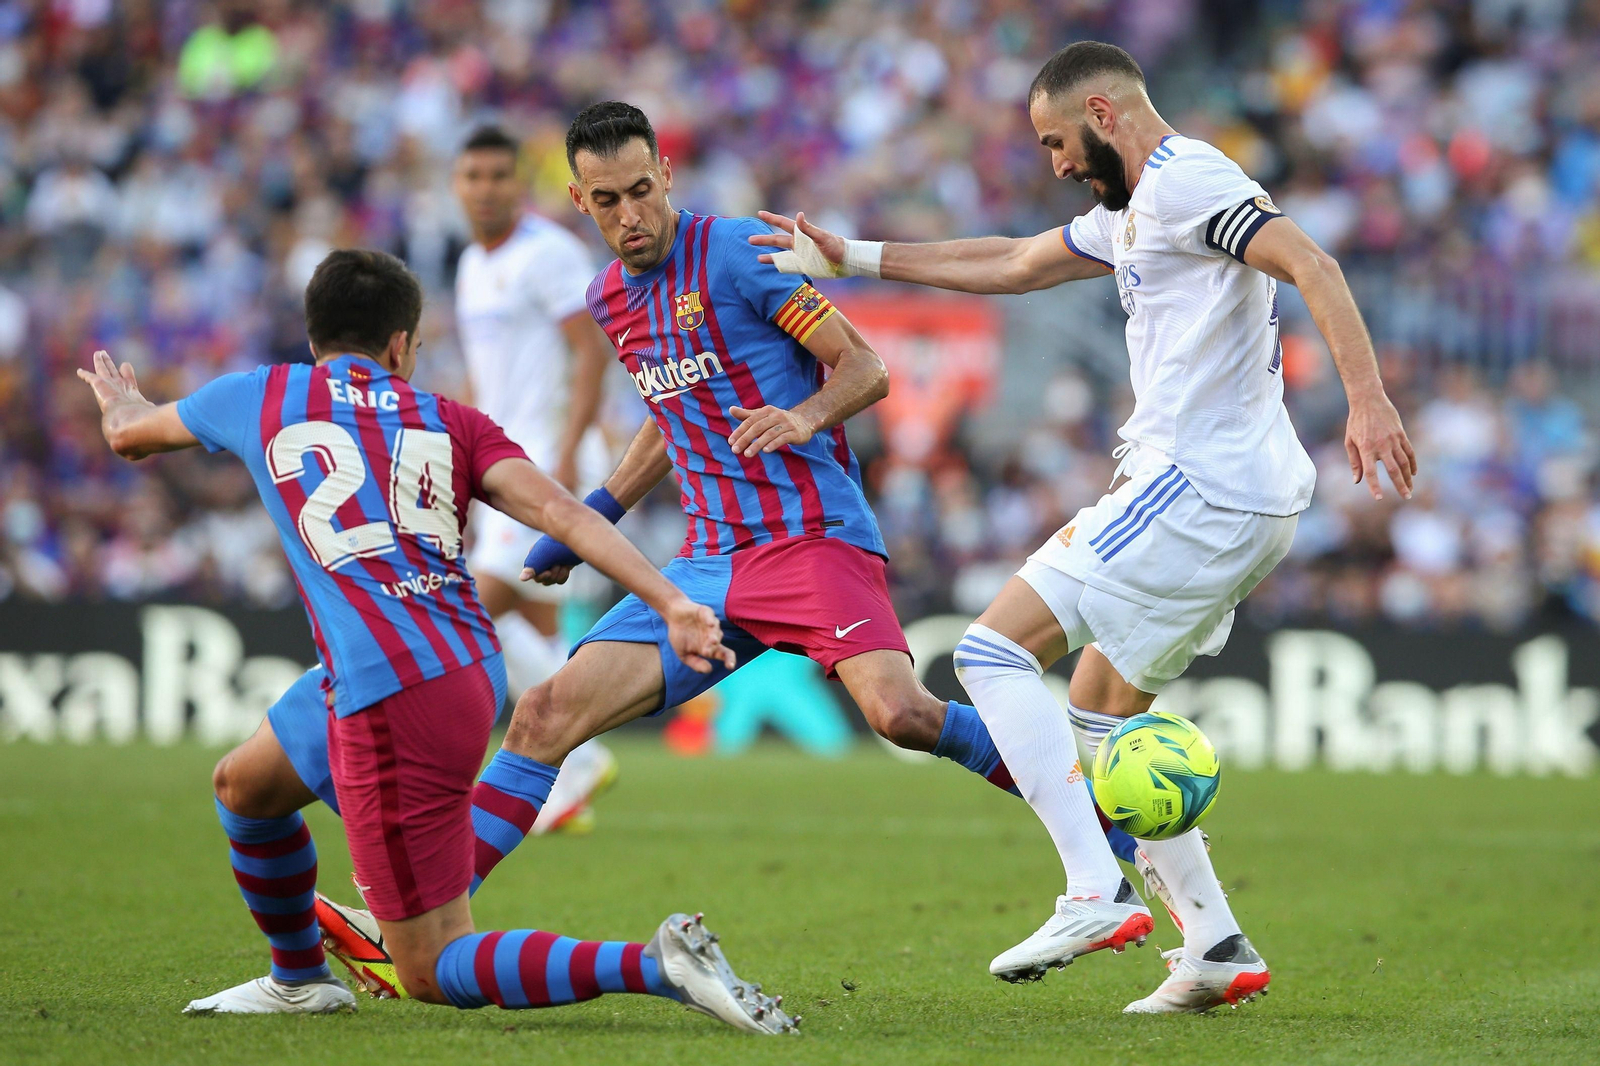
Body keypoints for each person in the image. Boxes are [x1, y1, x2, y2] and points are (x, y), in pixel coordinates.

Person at [315, 100, 1140, 1002]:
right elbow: (672, 422)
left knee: (900, 714)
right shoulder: (609, 298)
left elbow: (864, 365)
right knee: (543, 715)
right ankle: (421, 923)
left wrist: (802, 416)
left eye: (641, 190)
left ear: (666, 174)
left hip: (809, 536)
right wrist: (593, 512)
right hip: (708, 564)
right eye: (607, 200)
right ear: (579, 200)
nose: (630, 215)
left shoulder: (743, 253)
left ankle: (1107, 829)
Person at [750, 41, 1417, 1013]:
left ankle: (1091, 888)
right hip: (1240, 498)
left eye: (1057, 141)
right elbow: (1016, 261)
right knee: (1103, 717)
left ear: (1103, 114)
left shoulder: (1191, 182)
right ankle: (1217, 943)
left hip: (1198, 485)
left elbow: (1306, 259)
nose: (1054, 162)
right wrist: (850, 255)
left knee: (986, 650)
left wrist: (1366, 399)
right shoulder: (1135, 209)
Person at [75, 248, 798, 1034]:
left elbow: (132, 438)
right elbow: (564, 514)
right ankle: (300, 980)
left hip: (389, 693)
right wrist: (668, 599)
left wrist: (122, 404)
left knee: (426, 965)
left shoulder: (259, 393)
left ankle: (658, 965)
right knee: (246, 786)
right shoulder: (451, 418)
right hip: (454, 664)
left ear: (314, 337)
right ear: (400, 345)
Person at [452, 125, 619, 833]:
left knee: (469, 603)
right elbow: (486, 376)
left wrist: (572, 447)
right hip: (495, 458)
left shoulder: (549, 254)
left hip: (540, 459)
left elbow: (592, 353)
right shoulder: (469, 265)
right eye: (474, 176)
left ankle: (576, 759)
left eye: (499, 174)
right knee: (533, 620)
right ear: (457, 186)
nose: (487, 188)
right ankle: (578, 760)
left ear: (520, 182)